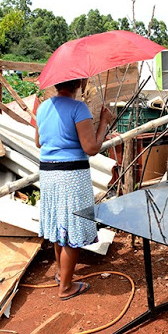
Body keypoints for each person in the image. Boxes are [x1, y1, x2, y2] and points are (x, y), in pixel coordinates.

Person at [35, 78, 114, 300]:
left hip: (48, 174)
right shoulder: (79, 108)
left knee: (60, 227)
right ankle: (66, 288)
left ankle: (62, 274)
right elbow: (91, 148)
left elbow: (39, 143)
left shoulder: (43, 107)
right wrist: (104, 123)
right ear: (79, 83)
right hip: (71, 175)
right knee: (73, 229)